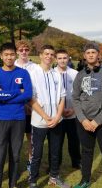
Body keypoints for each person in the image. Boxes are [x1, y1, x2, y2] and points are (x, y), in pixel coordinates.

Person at [72, 42, 102, 188]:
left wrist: (97, 121)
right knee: (86, 151)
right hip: (84, 122)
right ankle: (85, 180)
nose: (91, 55)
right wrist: (82, 119)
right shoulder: (80, 75)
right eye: (88, 53)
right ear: (84, 56)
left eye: (93, 52)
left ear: (98, 54)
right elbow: (75, 98)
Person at [0, 42, 32, 188]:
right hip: (1, 119)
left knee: (15, 155)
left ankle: (12, 184)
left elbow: (28, 94)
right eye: (6, 55)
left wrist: (6, 94)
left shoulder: (23, 73)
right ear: (1, 56)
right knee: (0, 156)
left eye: (12, 54)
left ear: (16, 55)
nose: (9, 57)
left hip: (18, 119)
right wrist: (16, 92)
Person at [28, 45, 68, 188]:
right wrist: (45, 116)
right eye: (46, 54)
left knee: (55, 151)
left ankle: (54, 177)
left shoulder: (56, 74)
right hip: (39, 121)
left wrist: (57, 116)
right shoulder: (32, 73)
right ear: (40, 55)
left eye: (52, 54)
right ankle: (33, 180)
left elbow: (62, 97)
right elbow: (30, 98)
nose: (49, 56)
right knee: (37, 152)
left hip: (57, 121)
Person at [54, 49, 81, 170]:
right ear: (56, 59)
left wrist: (74, 109)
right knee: (56, 142)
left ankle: (76, 161)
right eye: (59, 58)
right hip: (57, 115)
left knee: (74, 140)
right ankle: (55, 164)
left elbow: (80, 94)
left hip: (72, 113)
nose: (62, 60)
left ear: (68, 58)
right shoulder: (51, 73)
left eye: (64, 58)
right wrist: (58, 110)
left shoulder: (75, 73)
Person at [14, 40, 36, 171]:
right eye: (21, 50)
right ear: (17, 51)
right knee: (16, 138)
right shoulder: (12, 65)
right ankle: (15, 164)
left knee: (30, 137)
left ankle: (31, 161)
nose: (23, 52)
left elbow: (35, 86)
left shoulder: (34, 67)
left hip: (31, 107)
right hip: (16, 107)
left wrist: (29, 102)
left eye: (26, 50)